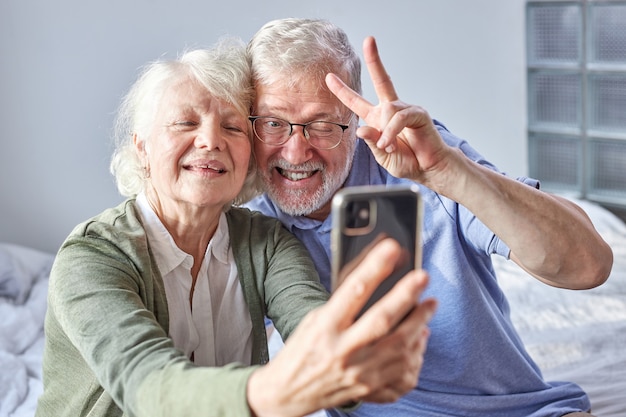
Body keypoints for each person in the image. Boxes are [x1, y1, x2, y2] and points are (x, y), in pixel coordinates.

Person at [35, 38, 438, 417]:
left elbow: (312, 324)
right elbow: (148, 385)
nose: (210, 140)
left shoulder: (266, 242)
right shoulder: (92, 256)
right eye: (185, 122)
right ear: (142, 146)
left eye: (232, 127)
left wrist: (358, 362)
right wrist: (274, 391)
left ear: (250, 156)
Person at [244, 18, 614, 417]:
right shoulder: (254, 227)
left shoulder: (421, 159)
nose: (296, 153)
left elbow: (589, 266)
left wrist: (450, 173)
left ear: (354, 124)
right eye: (273, 124)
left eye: (321, 126)